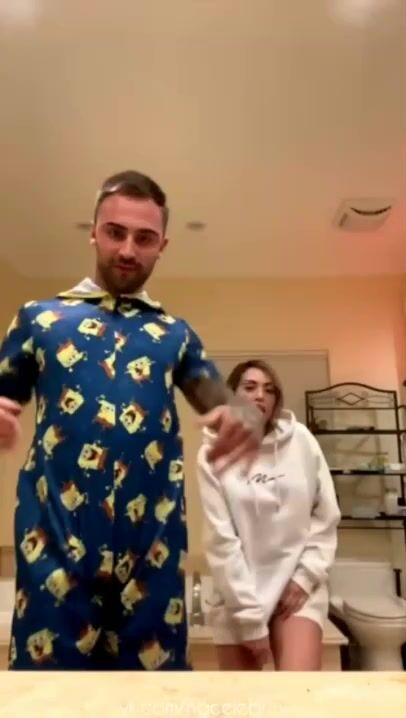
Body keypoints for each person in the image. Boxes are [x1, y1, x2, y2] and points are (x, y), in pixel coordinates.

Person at [0, 170, 263, 671]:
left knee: (154, 697)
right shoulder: (39, 319)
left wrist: (244, 418)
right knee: (48, 698)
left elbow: (219, 398)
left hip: (152, 558)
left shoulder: (176, 335)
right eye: (116, 232)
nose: (127, 249)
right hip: (54, 546)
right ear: (94, 233)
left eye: (144, 238)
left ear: (162, 245)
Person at [197, 359, 341, 671]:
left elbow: (326, 515)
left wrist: (305, 577)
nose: (260, 395)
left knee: (298, 693)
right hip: (239, 594)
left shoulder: (301, 440)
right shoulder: (211, 454)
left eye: (269, 389)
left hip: (297, 588)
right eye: (249, 387)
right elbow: (222, 541)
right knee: (245, 696)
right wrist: (250, 620)